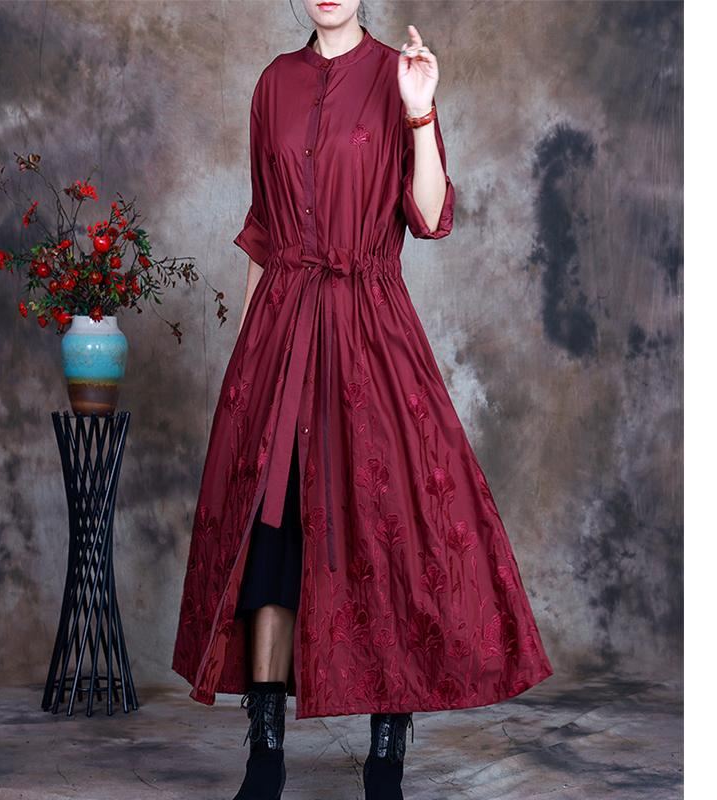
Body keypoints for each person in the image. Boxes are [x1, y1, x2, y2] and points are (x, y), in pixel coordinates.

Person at [172, 3, 554, 799]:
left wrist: (420, 111)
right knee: (271, 545)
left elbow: (430, 215)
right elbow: (264, 231)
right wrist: (248, 364)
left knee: (388, 543)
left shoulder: (396, 74)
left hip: (369, 336)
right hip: (280, 339)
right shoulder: (273, 84)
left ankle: (386, 760)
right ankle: (265, 756)